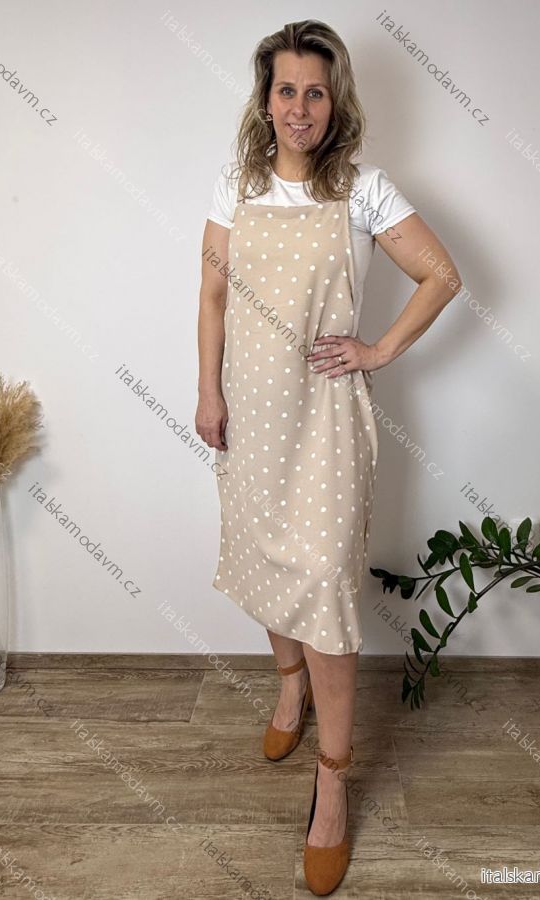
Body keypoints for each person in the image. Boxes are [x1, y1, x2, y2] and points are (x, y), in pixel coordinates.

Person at [196, 19, 461, 895]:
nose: (300, 107)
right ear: (265, 99)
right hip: (250, 415)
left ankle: (334, 782)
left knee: (324, 588)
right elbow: (211, 295)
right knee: (262, 557)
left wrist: (377, 351)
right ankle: (288, 685)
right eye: (286, 90)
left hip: (324, 422)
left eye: (315, 91)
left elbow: (442, 275)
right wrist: (207, 391)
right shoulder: (234, 184)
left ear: (334, 100)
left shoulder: (363, 190)